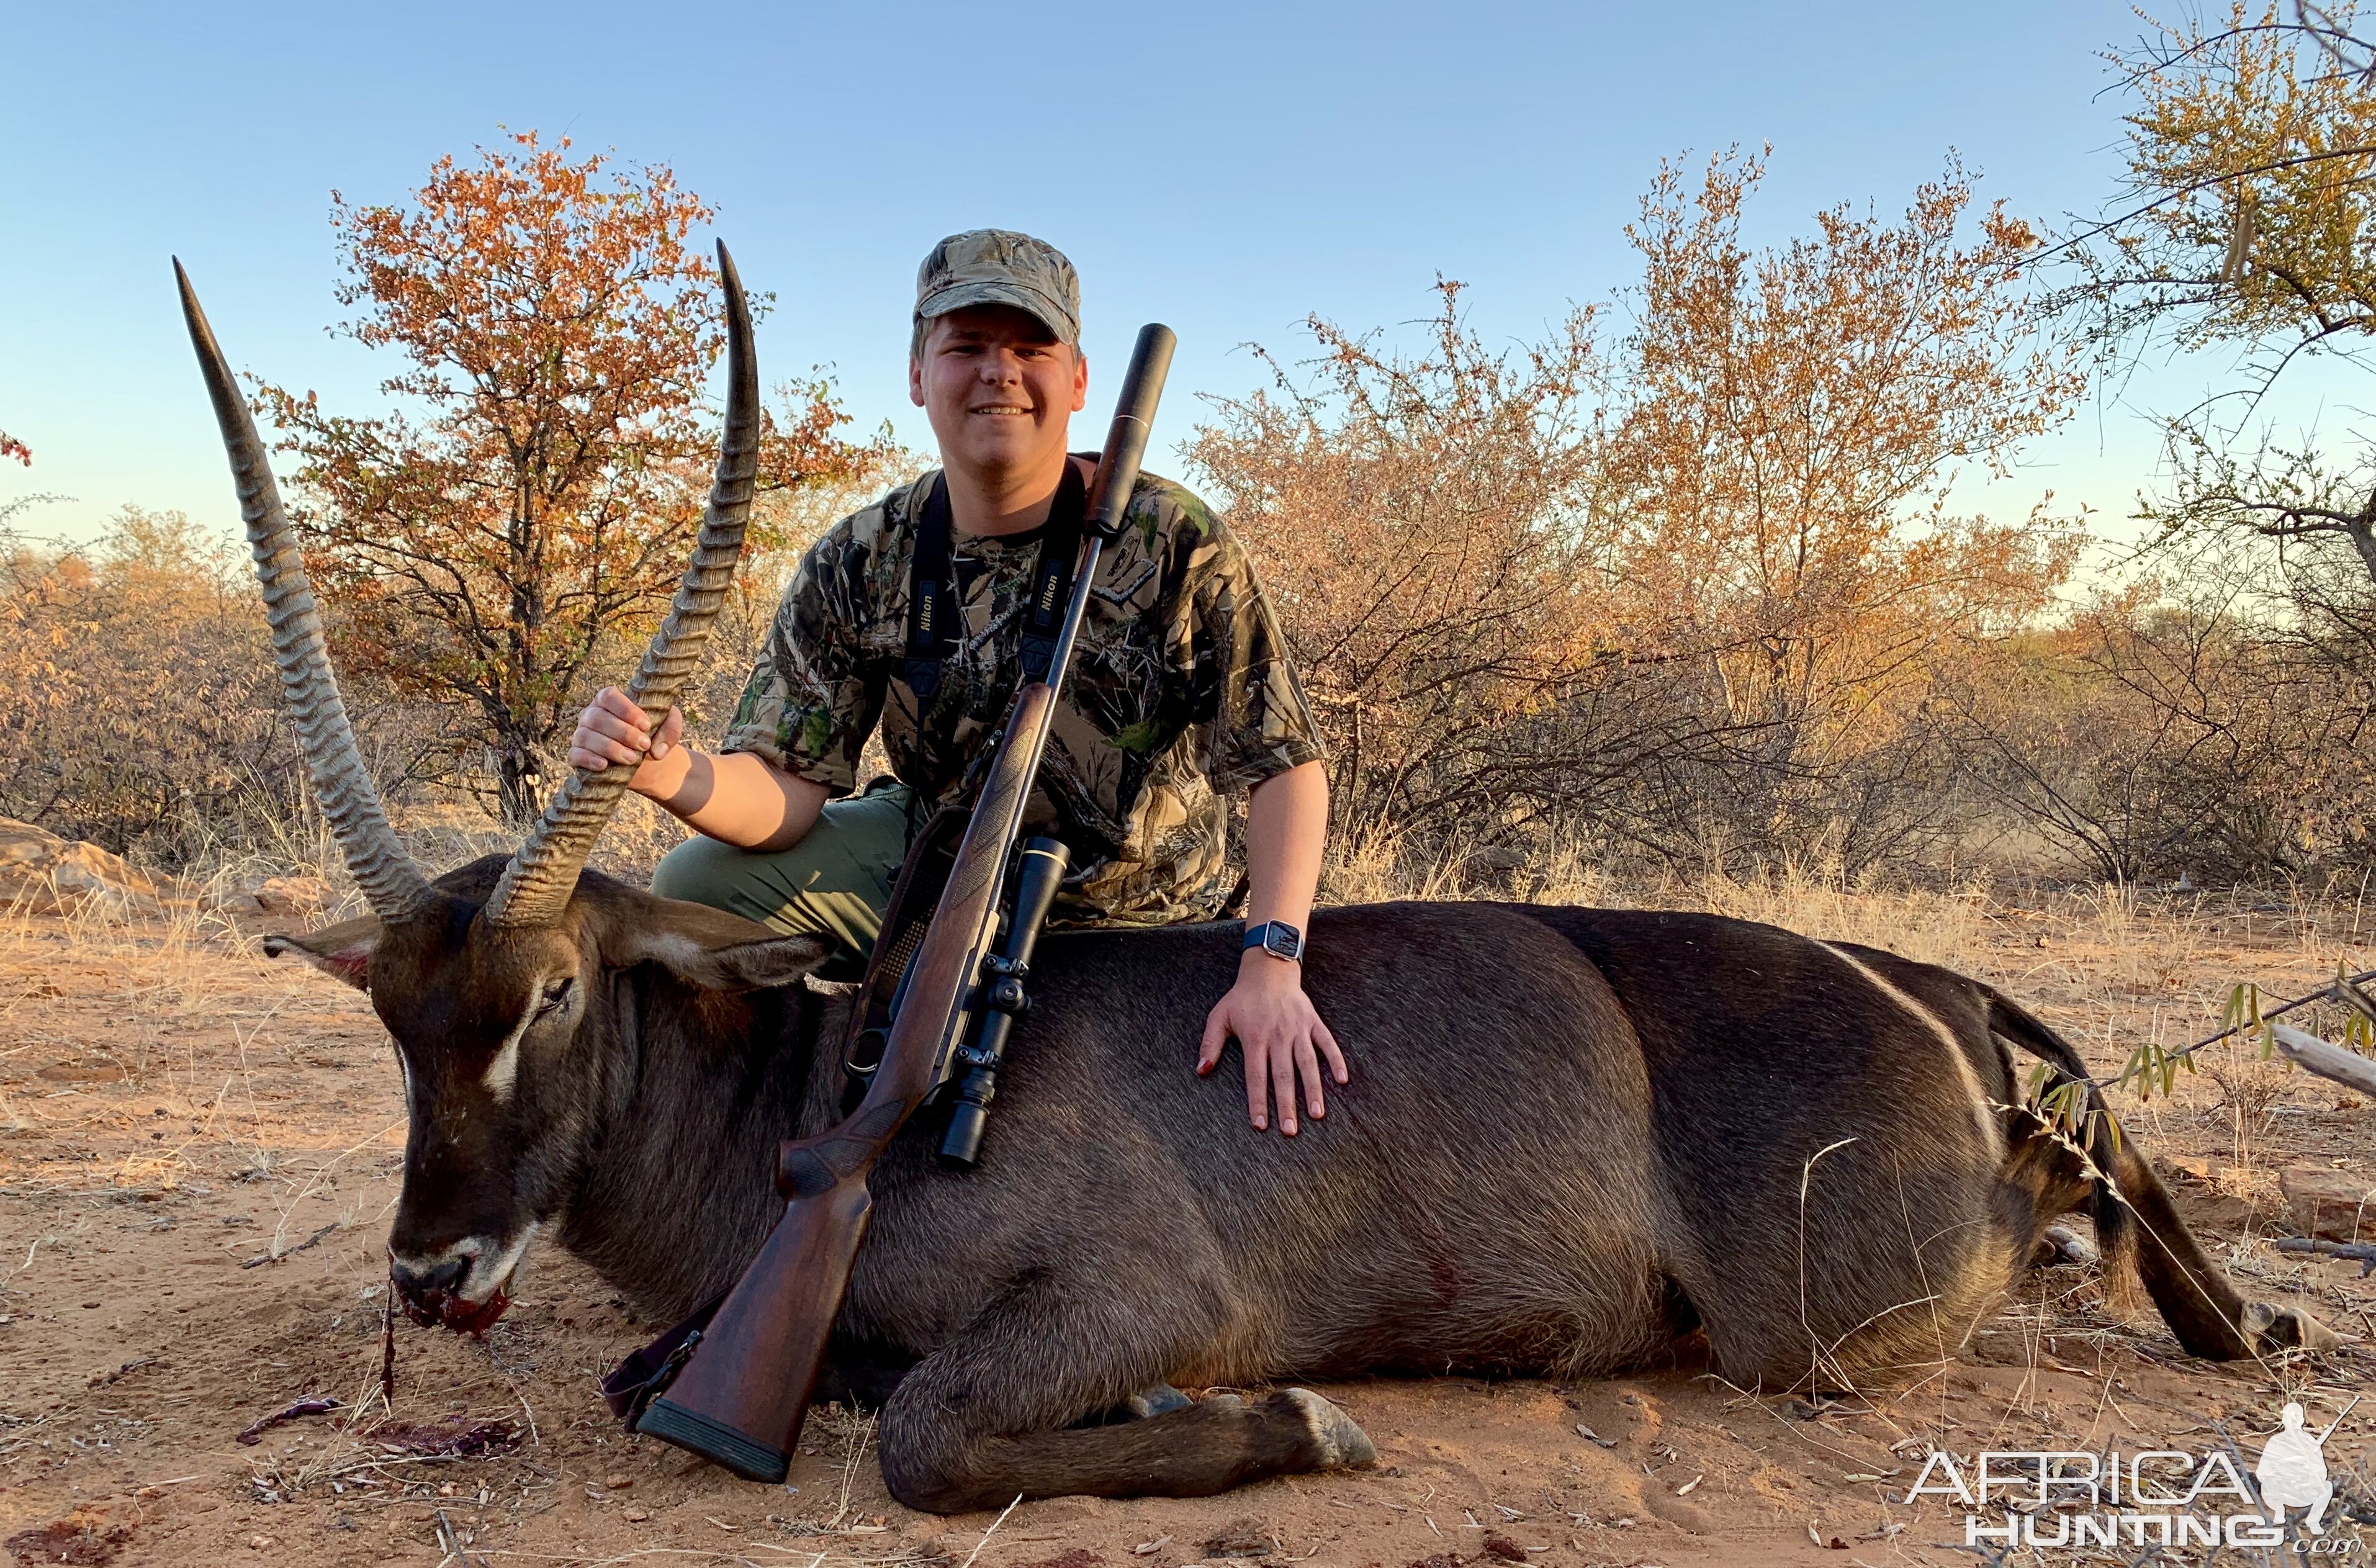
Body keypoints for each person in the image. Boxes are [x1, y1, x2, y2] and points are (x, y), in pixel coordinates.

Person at [567, 229, 1344, 1135]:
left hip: (1146, 906)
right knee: (696, 876)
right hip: (945, 862)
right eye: (966, 346)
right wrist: (672, 772)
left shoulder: (1173, 537)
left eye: (1029, 348)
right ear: (916, 373)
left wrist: (1272, 962)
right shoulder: (861, 558)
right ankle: (750, 1134)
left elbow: (1283, 763)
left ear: (1081, 381)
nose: (998, 372)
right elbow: (787, 790)